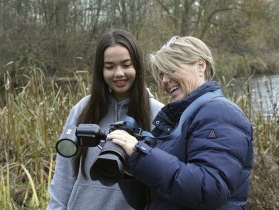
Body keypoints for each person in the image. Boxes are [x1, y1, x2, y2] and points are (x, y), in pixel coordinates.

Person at [108, 36, 254, 209]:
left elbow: (209, 189)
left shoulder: (220, 113)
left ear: (201, 66)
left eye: (171, 69)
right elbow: (148, 201)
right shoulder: (179, 120)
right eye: (161, 75)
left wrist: (140, 154)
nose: (164, 81)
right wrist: (130, 170)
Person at [47, 29, 164, 210]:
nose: (118, 73)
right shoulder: (82, 110)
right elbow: (64, 174)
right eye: (109, 67)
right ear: (100, 70)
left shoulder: (157, 114)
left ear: (138, 67)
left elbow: (164, 182)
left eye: (126, 65)